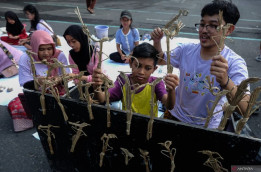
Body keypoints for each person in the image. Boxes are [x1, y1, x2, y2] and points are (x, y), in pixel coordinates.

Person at [150, 0, 249, 128]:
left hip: (206, 126)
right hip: (175, 116)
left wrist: (225, 81)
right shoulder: (186, 50)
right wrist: (157, 42)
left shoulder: (235, 62)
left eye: (213, 25)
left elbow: (245, 109)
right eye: (202, 24)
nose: (204, 30)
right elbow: (161, 59)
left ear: (229, 29)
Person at [92, 42, 178, 116]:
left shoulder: (156, 83)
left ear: (154, 69)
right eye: (137, 65)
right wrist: (97, 87)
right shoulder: (123, 80)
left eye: (147, 68)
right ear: (130, 63)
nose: (141, 72)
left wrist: (171, 90)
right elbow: (102, 98)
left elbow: (169, 105)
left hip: (149, 127)